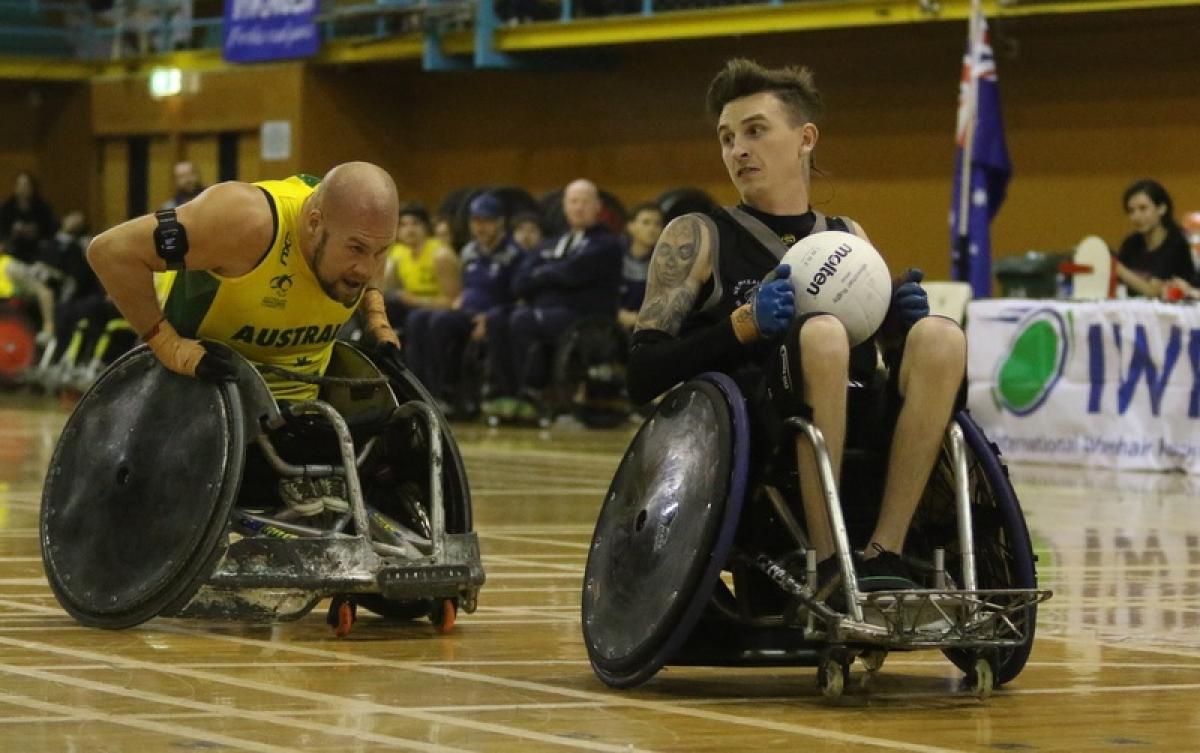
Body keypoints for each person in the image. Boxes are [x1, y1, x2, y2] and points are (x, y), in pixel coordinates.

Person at [626, 59, 965, 603]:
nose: (737, 149)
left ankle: (887, 552)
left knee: (942, 336)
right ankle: (829, 561)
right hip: (760, 430)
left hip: (857, 410)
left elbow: (872, 355)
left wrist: (897, 327)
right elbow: (642, 374)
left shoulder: (848, 235)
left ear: (805, 138)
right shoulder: (698, 234)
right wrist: (741, 327)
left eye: (755, 131)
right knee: (823, 335)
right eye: (726, 137)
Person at [86, 161, 401, 401]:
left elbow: (370, 253)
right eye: (356, 249)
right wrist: (168, 345)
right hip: (198, 401)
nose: (366, 268)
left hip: (302, 408)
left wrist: (376, 316)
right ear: (314, 223)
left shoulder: (359, 231)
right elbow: (111, 251)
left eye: (381, 251)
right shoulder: (244, 221)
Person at [483, 179, 622, 422]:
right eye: (573, 201)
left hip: (584, 316)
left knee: (522, 319)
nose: (578, 207)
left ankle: (529, 393)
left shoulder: (607, 243)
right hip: (544, 310)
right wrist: (553, 273)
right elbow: (519, 282)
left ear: (597, 207)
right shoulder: (551, 243)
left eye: (585, 202)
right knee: (496, 317)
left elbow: (573, 274)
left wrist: (544, 273)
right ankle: (505, 393)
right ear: (565, 207)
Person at [416, 193, 523, 412]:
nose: (480, 227)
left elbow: (520, 297)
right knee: (425, 319)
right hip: (466, 313)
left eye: (486, 221)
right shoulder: (469, 251)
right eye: (475, 221)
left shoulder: (515, 254)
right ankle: (433, 392)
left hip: (497, 315)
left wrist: (487, 318)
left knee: (448, 322)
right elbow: (465, 287)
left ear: (500, 222)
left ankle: (466, 393)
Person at [382, 203, 461, 332]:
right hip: (412, 309)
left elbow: (454, 302)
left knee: (417, 317)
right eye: (403, 225)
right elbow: (386, 287)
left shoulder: (440, 255)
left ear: (426, 227)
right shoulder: (398, 253)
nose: (410, 229)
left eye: (415, 223)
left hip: (438, 312)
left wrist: (416, 301)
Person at [1113, 179, 1193, 299]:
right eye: (1131, 211)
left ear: (1161, 209)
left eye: (1143, 208)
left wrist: (1116, 267)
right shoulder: (1130, 244)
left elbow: (1154, 291)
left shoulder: (1176, 243)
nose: (1136, 216)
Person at [617, 202, 664, 330]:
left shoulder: (665, 262)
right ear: (631, 226)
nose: (652, 229)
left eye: (657, 224)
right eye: (646, 223)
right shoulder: (613, 254)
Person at [0, 171, 58, 264]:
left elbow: (51, 230)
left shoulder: (42, 207)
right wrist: (13, 232)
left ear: (32, 187)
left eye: (26, 185)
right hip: (13, 249)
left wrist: (34, 230)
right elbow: (3, 230)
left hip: (37, 250)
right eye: (20, 185)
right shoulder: (7, 207)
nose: (23, 188)